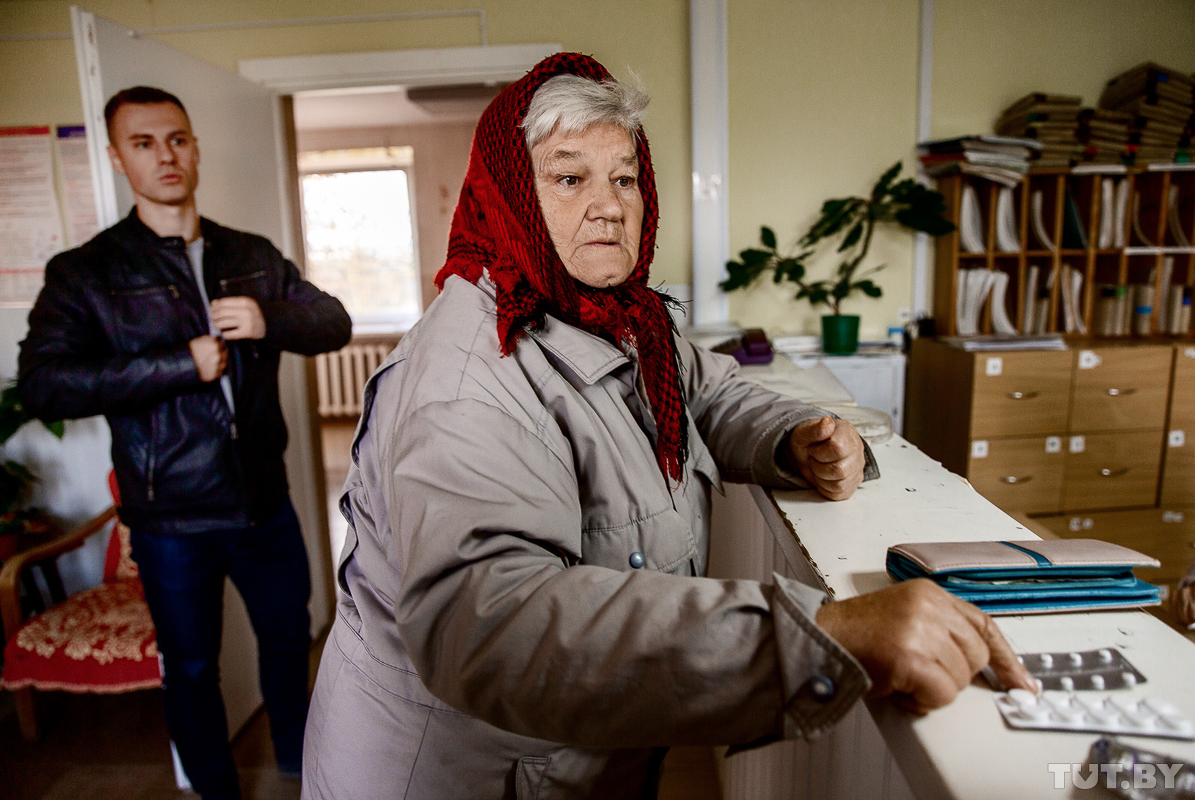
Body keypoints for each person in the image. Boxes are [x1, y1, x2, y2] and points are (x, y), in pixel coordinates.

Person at [301, 54, 1035, 799]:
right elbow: (493, 626)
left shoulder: (622, 316)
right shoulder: (468, 379)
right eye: (569, 178)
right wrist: (820, 638)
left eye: (624, 179)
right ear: (509, 195)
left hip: (568, 761)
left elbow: (707, 392)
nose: (609, 206)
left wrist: (793, 436)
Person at [18, 86, 352, 800]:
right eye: (143, 143)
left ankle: (302, 766)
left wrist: (269, 319)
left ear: (195, 147)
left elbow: (334, 323)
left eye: (176, 139)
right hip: (170, 517)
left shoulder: (251, 254)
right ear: (118, 158)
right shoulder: (87, 272)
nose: (164, 156)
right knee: (193, 668)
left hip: (265, 503)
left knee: (289, 641)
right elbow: (44, 385)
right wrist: (177, 365)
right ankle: (215, 790)